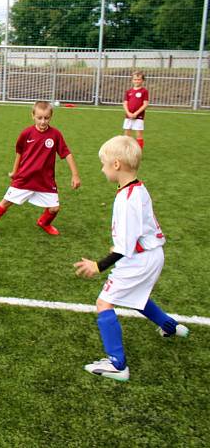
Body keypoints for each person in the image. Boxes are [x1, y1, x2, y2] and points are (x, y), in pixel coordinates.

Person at [74, 135, 188, 382]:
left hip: (139, 259)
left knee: (104, 303)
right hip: (153, 254)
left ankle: (117, 364)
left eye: (103, 164)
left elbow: (124, 248)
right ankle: (171, 327)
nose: (102, 169)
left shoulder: (126, 200)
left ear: (116, 165)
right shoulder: (138, 188)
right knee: (138, 297)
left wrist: (98, 265)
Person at [0, 101, 81, 238]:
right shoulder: (26, 133)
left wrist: (75, 175)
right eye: (40, 118)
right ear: (33, 116)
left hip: (45, 180)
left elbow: (66, 153)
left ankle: (44, 223)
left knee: (54, 208)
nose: (43, 121)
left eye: (46, 118)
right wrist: (15, 171)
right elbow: (19, 152)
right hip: (25, 178)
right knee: (6, 202)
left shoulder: (55, 135)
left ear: (51, 117)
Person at [123, 71, 149, 150]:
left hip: (139, 116)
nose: (136, 81)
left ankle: (139, 152)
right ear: (132, 80)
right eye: (135, 79)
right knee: (126, 135)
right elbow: (125, 103)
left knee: (139, 135)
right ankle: (125, 150)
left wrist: (136, 113)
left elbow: (145, 104)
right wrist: (128, 113)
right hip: (128, 116)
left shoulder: (144, 91)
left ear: (142, 80)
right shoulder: (128, 91)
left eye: (139, 79)